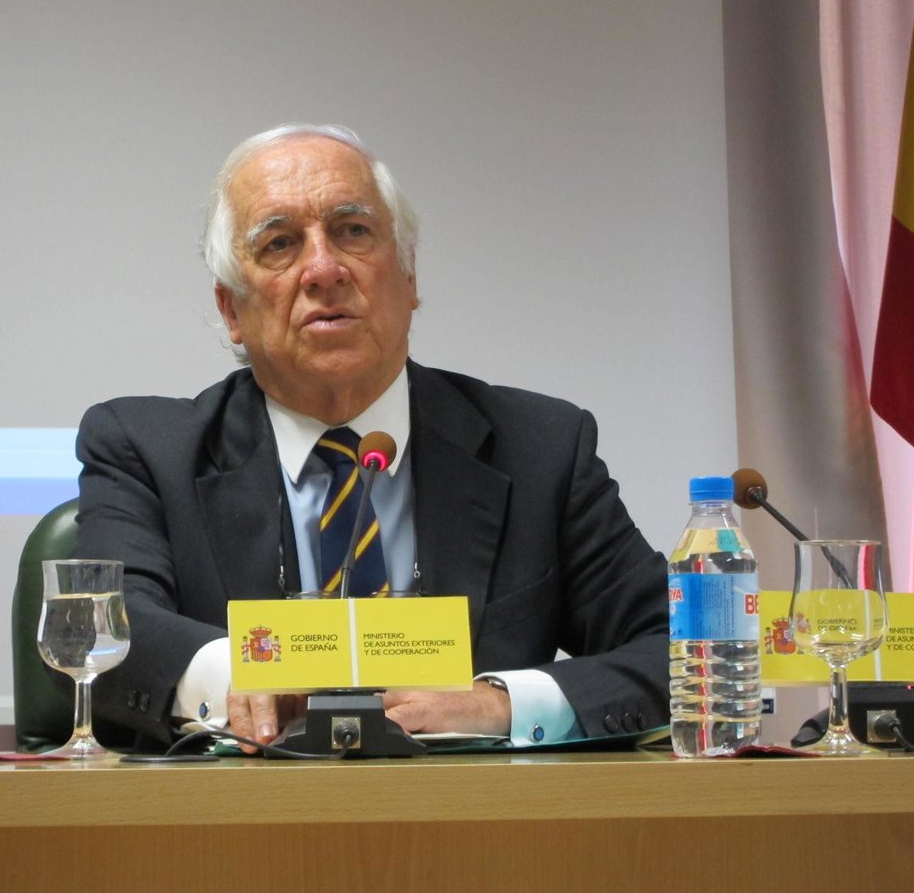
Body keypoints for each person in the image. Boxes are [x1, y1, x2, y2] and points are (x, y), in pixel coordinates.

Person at [74, 124, 669, 753]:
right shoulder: (145, 450)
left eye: (353, 231)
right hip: (241, 806)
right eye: (280, 244)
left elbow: (680, 648)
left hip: (477, 807)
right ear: (232, 311)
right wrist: (237, 678)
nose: (324, 269)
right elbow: (101, 629)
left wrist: (501, 703)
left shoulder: (540, 450)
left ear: (409, 278)